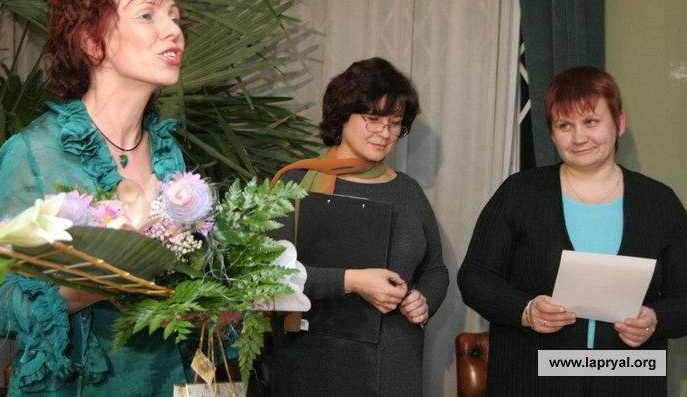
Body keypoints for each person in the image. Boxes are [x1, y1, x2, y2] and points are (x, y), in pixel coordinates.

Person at [0, 0, 192, 395]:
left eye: (174, 16)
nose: (173, 30)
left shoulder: (168, 153)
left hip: (166, 381)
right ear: (92, 42)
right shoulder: (37, 152)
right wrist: (101, 282)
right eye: (148, 15)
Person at [458, 66, 687, 396]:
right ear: (552, 134)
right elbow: (475, 277)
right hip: (531, 378)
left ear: (619, 123)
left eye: (591, 122)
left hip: (629, 377)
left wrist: (655, 319)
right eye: (565, 125)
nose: (579, 138)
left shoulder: (660, 202)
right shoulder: (519, 193)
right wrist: (525, 310)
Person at [268, 57, 449, 396]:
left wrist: (424, 301)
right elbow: (271, 276)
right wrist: (353, 281)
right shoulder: (295, 185)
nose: (385, 133)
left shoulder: (408, 191)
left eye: (395, 123)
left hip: (394, 366)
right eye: (373, 119)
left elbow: (435, 270)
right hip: (313, 361)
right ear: (342, 115)